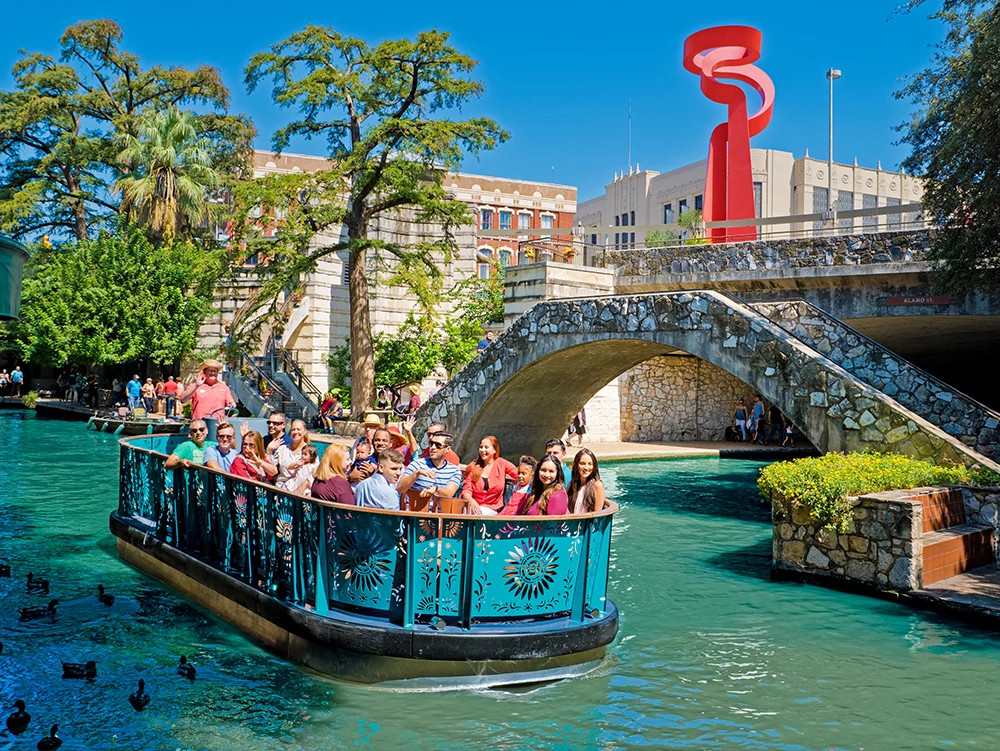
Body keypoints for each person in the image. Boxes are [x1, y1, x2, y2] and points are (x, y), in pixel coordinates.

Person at [396, 432, 463, 511]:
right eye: (431, 444)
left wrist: (435, 490)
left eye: (438, 445)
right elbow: (400, 489)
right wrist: (416, 474)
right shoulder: (417, 465)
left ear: (447, 449)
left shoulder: (455, 471)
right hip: (415, 514)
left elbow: (449, 493)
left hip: (438, 515)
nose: (433, 447)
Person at [460, 435, 518, 515]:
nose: (482, 450)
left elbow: (518, 474)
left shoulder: (502, 464)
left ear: (494, 450)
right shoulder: (473, 467)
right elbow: (466, 490)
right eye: (481, 447)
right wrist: (472, 501)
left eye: (486, 447)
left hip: (492, 508)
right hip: (472, 506)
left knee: (482, 513)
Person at [566, 448, 607, 515]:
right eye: (582, 463)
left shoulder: (597, 485)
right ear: (576, 465)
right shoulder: (573, 484)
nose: (586, 467)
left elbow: (598, 514)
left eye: (590, 464)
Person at [274, 419, 310, 488]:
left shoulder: (310, 452)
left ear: (305, 432)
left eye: (298, 429)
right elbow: (273, 468)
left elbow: (313, 473)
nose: (296, 432)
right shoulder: (282, 449)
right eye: (293, 429)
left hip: (300, 490)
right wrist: (269, 451)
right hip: (281, 488)